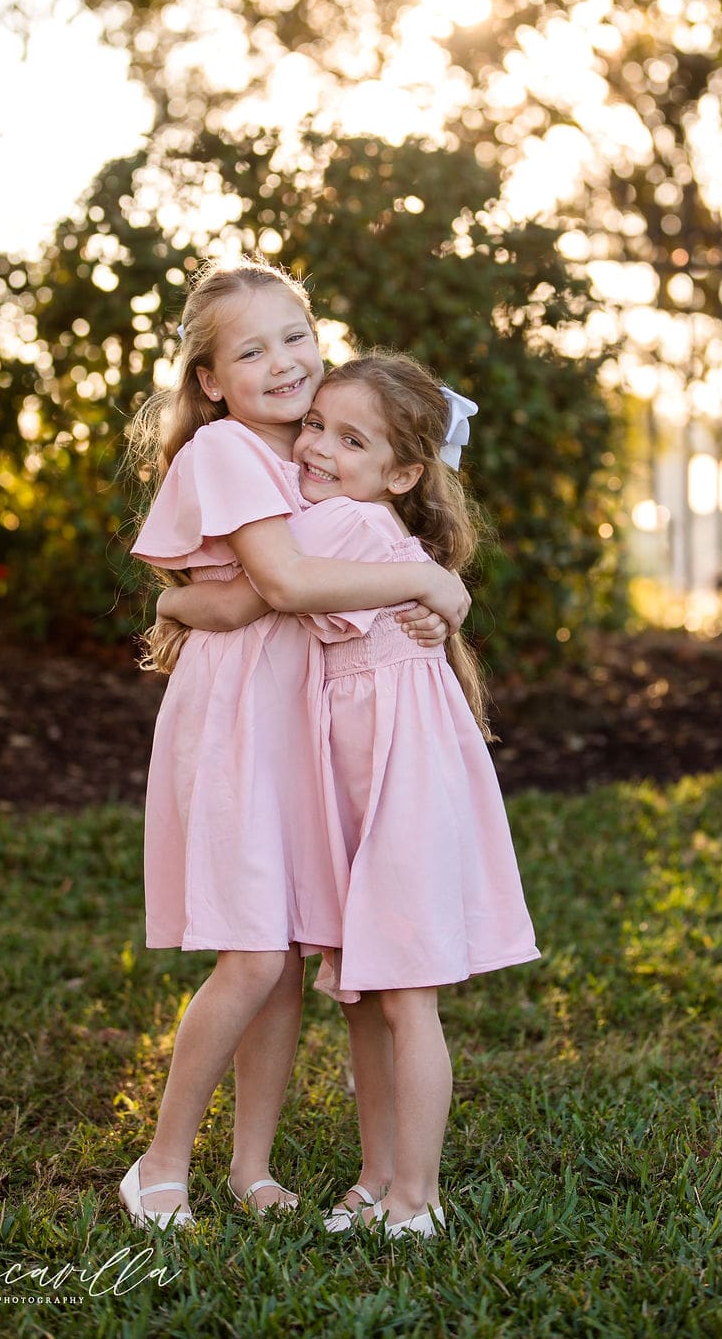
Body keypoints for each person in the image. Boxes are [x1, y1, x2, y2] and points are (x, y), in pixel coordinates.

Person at [120, 263, 469, 1232]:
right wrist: (429, 583)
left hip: (298, 725)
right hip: (237, 723)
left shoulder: (311, 459)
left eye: (294, 335)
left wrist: (419, 584)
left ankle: (252, 1169)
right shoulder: (229, 448)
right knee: (249, 957)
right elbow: (273, 585)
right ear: (210, 381)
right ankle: (159, 1164)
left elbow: (240, 590)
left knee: (275, 958)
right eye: (250, 349)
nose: (283, 362)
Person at [161, 352, 540, 1239]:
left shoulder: (346, 532)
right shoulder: (363, 528)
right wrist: (441, 589)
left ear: (405, 473)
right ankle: (377, 1178)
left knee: (406, 997)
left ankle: (415, 1198)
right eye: (317, 427)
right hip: (376, 778)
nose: (319, 449)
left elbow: (246, 600)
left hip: (399, 783)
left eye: (351, 439)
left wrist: (173, 607)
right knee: (370, 991)